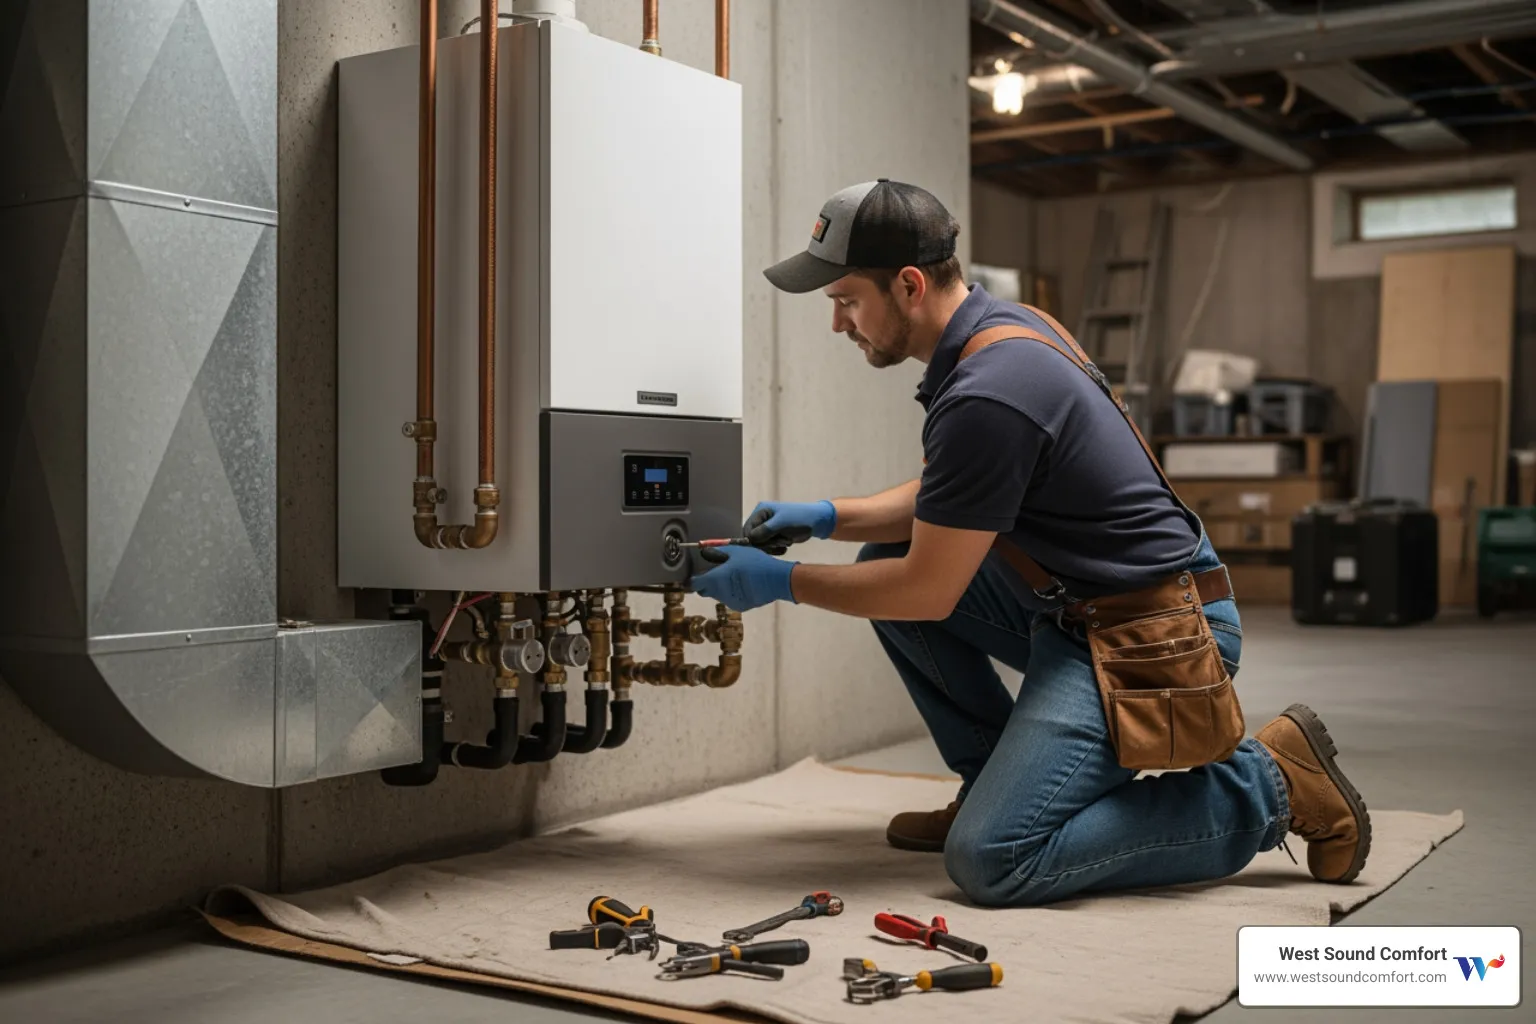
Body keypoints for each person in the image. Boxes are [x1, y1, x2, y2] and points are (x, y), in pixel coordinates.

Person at [691, 179, 1371, 907]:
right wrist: (828, 516)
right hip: (1083, 609)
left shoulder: (990, 390)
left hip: (1153, 636)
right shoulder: (1000, 333)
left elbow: (930, 589)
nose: (839, 324)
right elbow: (949, 498)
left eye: (846, 300)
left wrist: (782, 582)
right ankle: (995, 782)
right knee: (882, 560)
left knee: (994, 857)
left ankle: (1266, 784)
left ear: (910, 285)